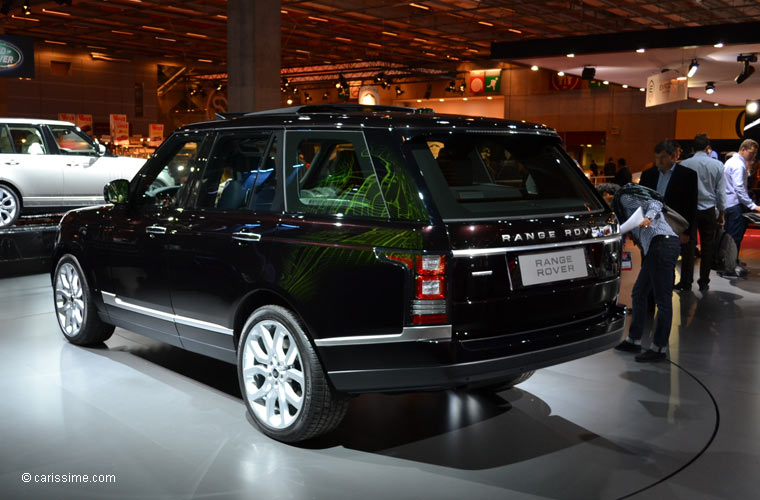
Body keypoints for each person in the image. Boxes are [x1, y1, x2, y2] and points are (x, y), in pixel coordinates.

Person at [608, 182, 680, 362]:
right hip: (657, 247)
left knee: (662, 300)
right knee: (639, 293)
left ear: (609, 194)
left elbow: (655, 203)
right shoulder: (620, 209)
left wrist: (648, 218)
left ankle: (659, 348)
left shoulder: (624, 197)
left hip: (662, 244)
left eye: (604, 199)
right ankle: (634, 340)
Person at [639, 140, 698, 289]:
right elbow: (641, 202)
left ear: (673, 156)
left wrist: (687, 233)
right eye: (656, 157)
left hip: (673, 228)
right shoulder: (648, 175)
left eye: (663, 157)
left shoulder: (687, 175)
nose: (659, 161)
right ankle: (648, 303)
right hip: (650, 226)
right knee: (647, 264)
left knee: (667, 266)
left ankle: (664, 302)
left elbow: (690, 205)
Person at [678, 133, 726, 292]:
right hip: (709, 210)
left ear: (692, 148)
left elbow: (681, 192)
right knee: (707, 247)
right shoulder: (718, 165)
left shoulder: (684, 164)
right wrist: (722, 213)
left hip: (689, 211)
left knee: (688, 247)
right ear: (707, 148)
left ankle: (686, 282)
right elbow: (720, 192)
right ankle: (704, 281)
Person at [723, 138, 760, 273]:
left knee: (731, 236)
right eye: (751, 153)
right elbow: (739, 188)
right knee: (734, 237)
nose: (753, 156)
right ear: (743, 149)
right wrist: (753, 206)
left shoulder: (732, 161)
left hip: (730, 204)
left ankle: (732, 262)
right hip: (734, 205)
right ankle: (730, 267)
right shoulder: (738, 164)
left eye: (754, 154)